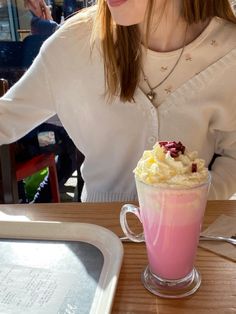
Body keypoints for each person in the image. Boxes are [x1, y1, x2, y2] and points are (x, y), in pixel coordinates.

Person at [1, 0, 236, 202]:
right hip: (99, 237)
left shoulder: (229, 53)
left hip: (194, 240)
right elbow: (7, 117)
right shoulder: (74, 42)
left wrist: (200, 202)